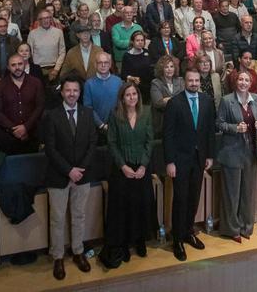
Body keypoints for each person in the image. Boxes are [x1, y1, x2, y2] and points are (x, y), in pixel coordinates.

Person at [43, 76, 97, 280]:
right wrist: (69, 171)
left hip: (82, 175)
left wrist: (80, 169)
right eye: (68, 90)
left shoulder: (88, 113)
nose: (72, 94)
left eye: (75, 90)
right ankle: (58, 257)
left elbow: (92, 143)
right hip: (59, 176)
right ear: (62, 92)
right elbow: (50, 148)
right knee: (57, 219)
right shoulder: (52, 116)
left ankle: (77, 252)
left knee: (79, 216)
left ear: (79, 92)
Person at [100, 82, 156, 268]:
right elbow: (112, 143)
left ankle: (139, 240)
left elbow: (150, 141)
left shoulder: (146, 113)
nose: (132, 97)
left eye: (134, 94)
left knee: (141, 204)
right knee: (122, 208)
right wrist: (123, 166)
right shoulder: (115, 115)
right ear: (122, 98)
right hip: (121, 169)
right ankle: (123, 244)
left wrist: (143, 166)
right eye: (128, 95)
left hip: (141, 168)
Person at [163, 68, 217, 262]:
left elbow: (210, 131)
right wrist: (169, 161)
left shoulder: (207, 101)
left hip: (200, 159)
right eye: (190, 80)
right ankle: (177, 239)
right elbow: (167, 135)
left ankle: (188, 231)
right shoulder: (174, 103)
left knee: (194, 198)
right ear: (184, 82)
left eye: (196, 80)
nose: (194, 83)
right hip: (179, 160)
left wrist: (210, 156)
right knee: (180, 199)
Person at [216, 70, 257, 242]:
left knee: (247, 192)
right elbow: (218, 123)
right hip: (232, 151)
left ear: (251, 83)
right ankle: (231, 229)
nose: (243, 82)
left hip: (250, 151)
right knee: (232, 193)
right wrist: (235, 128)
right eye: (240, 79)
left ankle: (246, 226)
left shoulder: (256, 99)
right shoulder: (227, 100)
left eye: (246, 80)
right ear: (235, 82)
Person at [0, 53, 45, 155]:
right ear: (8, 67)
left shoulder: (36, 83)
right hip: (8, 137)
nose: (17, 67)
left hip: (31, 135)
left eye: (20, 64)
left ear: (25, 64)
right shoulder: (0, 86)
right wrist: (14, 129)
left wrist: (26, 127)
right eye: (13, 65)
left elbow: (40, 107)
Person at [28, 9, 67, 82]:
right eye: (42, 18)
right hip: (37, 70)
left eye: (48, 18)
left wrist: (56, 69)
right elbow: (30, 53)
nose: (46, 20)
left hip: (54, 69)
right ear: (39, 21)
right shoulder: (32, 34)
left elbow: (62, 52)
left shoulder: (58, 32)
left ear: (51, 19)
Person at [150, 55, 184, 136]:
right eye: (166, 67)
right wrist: (177, 99)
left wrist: (167, 99)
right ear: (162, 69)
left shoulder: (180, 81)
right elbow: (158, 103)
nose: (169, 69)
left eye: (171, 66)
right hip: (163, 121)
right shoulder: (156, 83)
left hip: (179, 120)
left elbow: (185, 100)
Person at [121, 31, 152, 99]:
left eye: (142, 40)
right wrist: (131, 78)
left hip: (147, 88)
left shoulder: (147, 52)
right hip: (134, 88)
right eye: (137, 40)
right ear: (132, 42)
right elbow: (123, 74)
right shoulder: (127, 55)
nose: (140, 42)